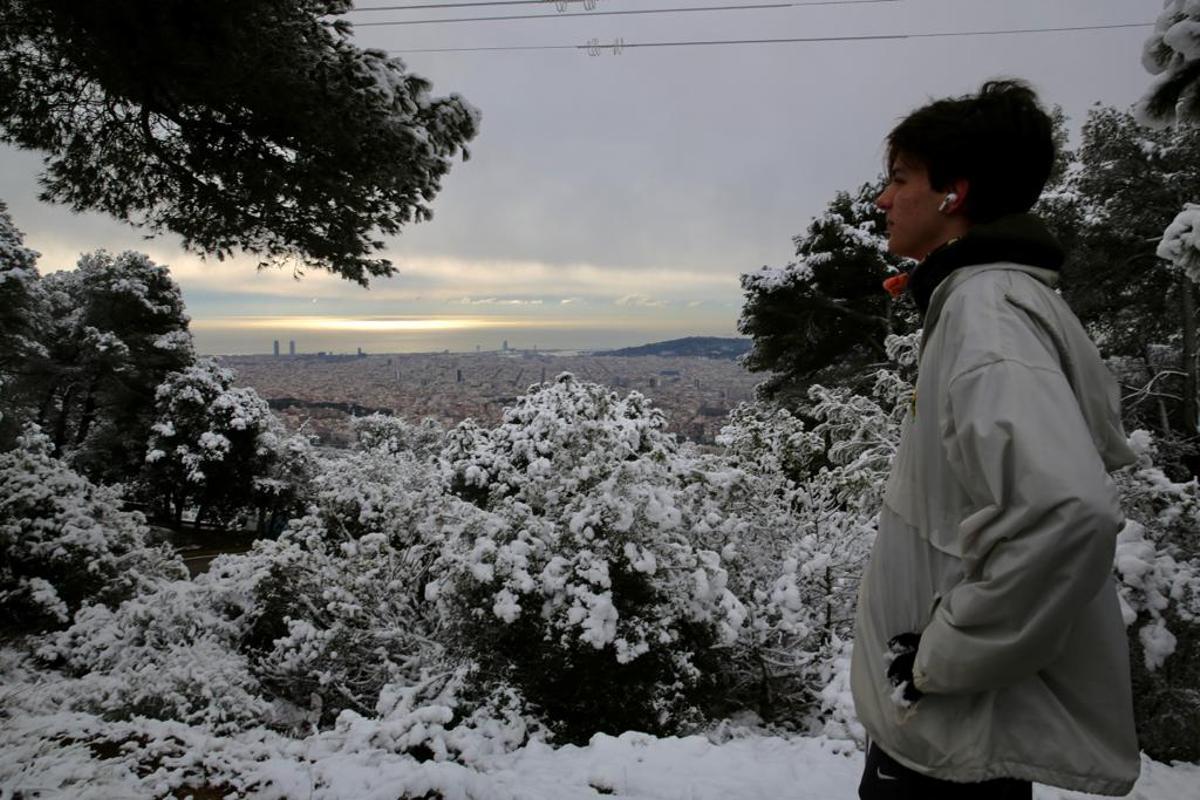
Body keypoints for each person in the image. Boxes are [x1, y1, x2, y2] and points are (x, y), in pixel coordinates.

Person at [851, 79, 1141, 799]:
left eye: (899, 179)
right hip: (951, 727)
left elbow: (1067, 513)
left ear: (954, 191)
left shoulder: (988, 315)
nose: (883, 200)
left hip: (953, 733)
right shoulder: (990, 302)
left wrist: (943, 658)